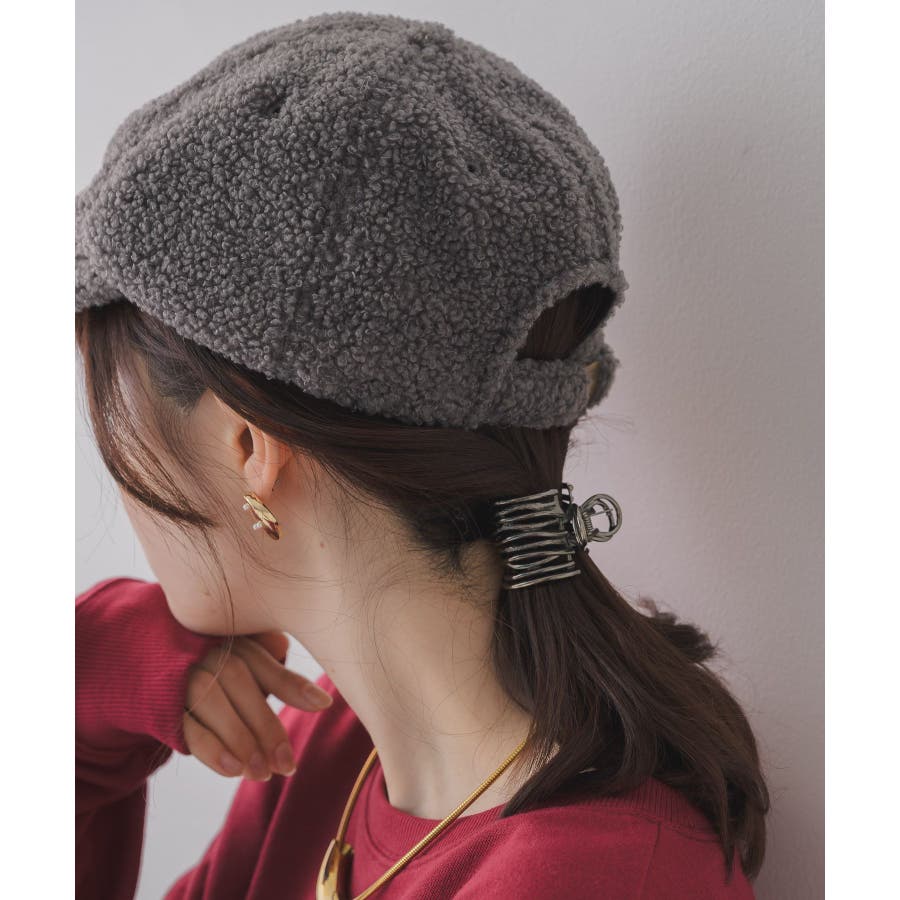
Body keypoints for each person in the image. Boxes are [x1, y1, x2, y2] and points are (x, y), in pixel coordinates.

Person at [74, 11, 769, 899]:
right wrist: (84, 684)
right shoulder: (342, 750)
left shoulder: (587, 879)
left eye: (113, 406)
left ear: (249, 446)